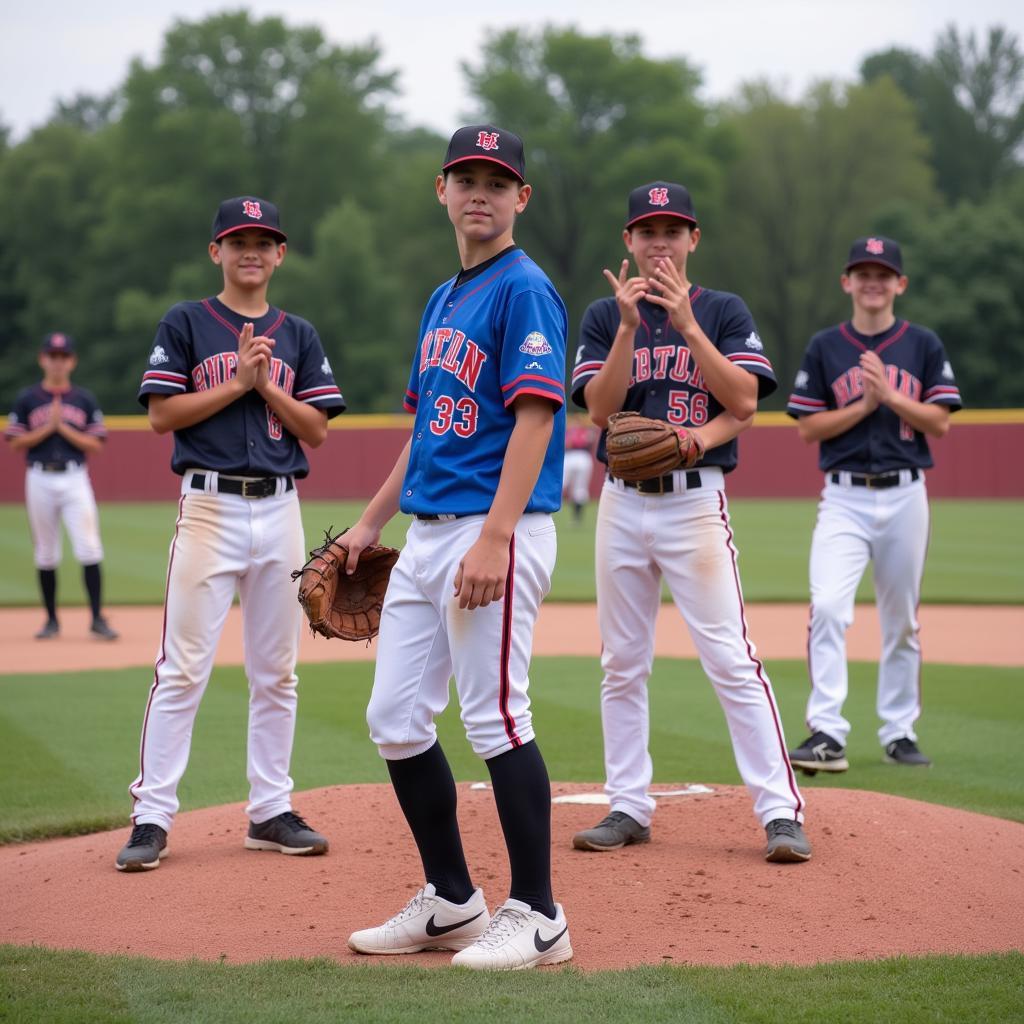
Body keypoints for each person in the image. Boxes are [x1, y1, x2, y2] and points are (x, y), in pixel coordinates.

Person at [343, 125, 573, 970]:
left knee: (497, 717)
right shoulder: (445, 299)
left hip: (490, 531)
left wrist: (496, 537)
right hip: (425, 533)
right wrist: (371, 522)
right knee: (395, 719)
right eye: (466, 178)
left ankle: (541, 915)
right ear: (440, 190)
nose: (481, 191)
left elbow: (538, 417)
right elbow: (426, 431)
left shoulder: (525, 289)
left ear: (521, 199)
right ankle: (450, 899)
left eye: (497, 180)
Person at [569, 181, 809, 863]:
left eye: (673, 230)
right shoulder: (602, 315)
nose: (660, 242)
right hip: (621, 502)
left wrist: (688, 327)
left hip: (694, 502)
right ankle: (628, 805)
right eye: (647, 231)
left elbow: (743, 399)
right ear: (629, 242)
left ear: (693, 239)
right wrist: (623, 329)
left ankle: (781, 813)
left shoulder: (725, 311)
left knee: (731, 658)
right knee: (621, 662)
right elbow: (598, 410)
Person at [115, 196, 345, 872]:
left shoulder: (297, 334)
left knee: (278, 671)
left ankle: (270, 810)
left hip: (279, 508)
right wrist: (238, 383)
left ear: (280, 255)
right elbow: (162, 415)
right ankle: (152, 817)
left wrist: (267, 388)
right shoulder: (187, 322)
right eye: (238, 239)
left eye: (264, 240)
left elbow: (318, 429)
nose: (252, 250)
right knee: (183, 668)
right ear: (215, 251)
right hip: (210, 505)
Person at [786, 236, 961, 774]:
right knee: (830, 607)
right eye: (862, 272)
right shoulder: (826, 345)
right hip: (842, 495)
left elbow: (941, 421)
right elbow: (809, 428)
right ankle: (827, 732)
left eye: (883, 273)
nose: (873, 281)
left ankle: (900, 732)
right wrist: (864, 405)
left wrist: (891, 398)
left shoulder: (922, 344)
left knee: (902, 620)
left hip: (907, 492)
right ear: (847, 282)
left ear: (899, 284)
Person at [5, 332, 119, 641]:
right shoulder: (28, 398)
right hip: (39, 476)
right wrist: (47, 428)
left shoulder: (83, 399)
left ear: (72, 361)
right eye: (52, 356)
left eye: (63, 356)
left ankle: (97, 618)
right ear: (43, 359)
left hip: (74, 477)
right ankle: (51, 620)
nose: (57, 362)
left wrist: (62, 428)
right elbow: (16, 442)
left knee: (89, 547)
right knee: (45, 551)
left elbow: (96, 444)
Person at [562, 415, 597, 524]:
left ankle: (575, 518)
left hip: (574, 457)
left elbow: (568, 444)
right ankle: (576, 519)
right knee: (579, 488)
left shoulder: (572, 431)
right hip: (582, 458)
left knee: (568, 486)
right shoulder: (585, 431)